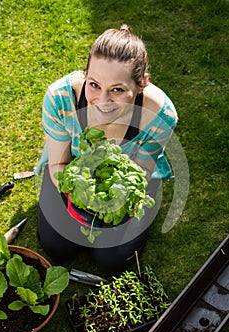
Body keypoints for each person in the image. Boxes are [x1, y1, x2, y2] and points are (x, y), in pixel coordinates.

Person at [35, 24, 178, 272]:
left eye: (118, 90)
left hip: (127, 180)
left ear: (142, 83)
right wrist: (84, 199)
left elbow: (140, 172)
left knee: (112, 262)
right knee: (57, 247)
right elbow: (59, 164)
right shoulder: (60, 98)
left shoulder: (161, 116)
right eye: (94, 85)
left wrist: (113, 203)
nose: (102, 101)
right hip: (71, 171)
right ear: (85, 75)